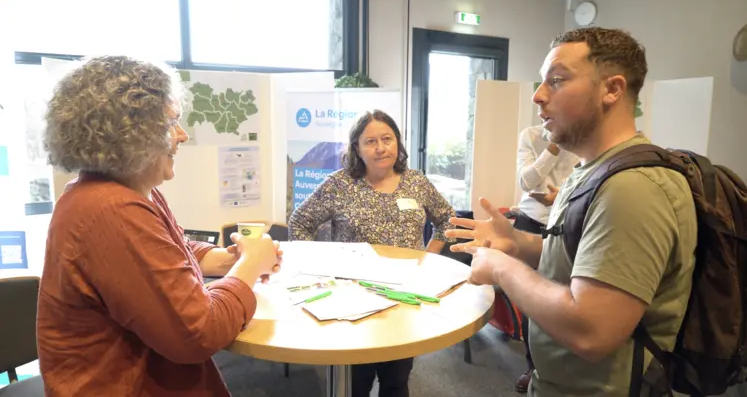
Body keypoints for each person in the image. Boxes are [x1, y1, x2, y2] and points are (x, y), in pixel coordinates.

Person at [446, 27, 697, 396]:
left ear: (612, 89)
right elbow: (583, 259)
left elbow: (591, 329)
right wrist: (517, 244)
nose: (537, 95)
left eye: (557, 81)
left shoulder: (634, 188)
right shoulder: (590, 171)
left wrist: (502, 266)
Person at [37, 56, 283, 397]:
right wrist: (249, 266)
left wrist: (223, 259)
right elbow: (199, 333)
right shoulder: (110, 211)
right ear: (129, 132)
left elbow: (165, 250)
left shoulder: (122, 193)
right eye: (171, 124)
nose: (181, 136)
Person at [288, 109, 456, 397]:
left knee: (396, 381)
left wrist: (430, 257)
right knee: (355, 384)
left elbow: (447, 219)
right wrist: (319, 270)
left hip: (404, 298)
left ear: (398, 143)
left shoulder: (416, 181)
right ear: (357, 148)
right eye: (371, 141)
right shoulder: (339, 184)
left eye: (387, 139)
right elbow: (299, 223)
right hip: (353, 302)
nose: (381, 148)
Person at [512, 124, 578, 392]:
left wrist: (560, 196)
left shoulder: (584, 138)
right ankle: (534, 365)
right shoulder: (530, 136)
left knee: (568, 295)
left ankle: (567, 364)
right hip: (531, 220)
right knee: (532, 299)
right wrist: (553, 146)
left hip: (567, 222)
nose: (540, 100)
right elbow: (526, 182)